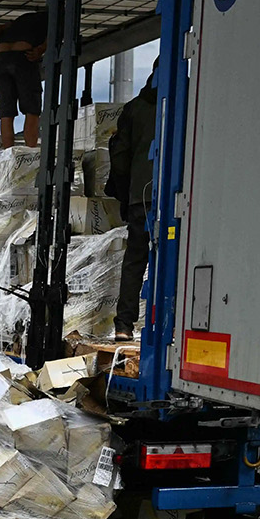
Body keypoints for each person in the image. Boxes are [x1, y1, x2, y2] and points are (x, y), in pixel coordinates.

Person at [106, 66, 158, 337]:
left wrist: (125, 194)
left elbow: (121, 157)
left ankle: (124, 325)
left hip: (141, 196)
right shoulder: (187, 102)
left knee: (135, 260)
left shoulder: (134, 109)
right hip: (178, 199)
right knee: (173, 260)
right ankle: (166, 322)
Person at [0, 8, 47, 149]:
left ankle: (8, 152)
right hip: (23, 57)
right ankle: (30, 151)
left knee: (6, 110)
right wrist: (41, 49)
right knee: (32, 109)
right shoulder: (57, 17)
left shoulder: (24, 18)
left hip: (2, 58)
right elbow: (54, 35)